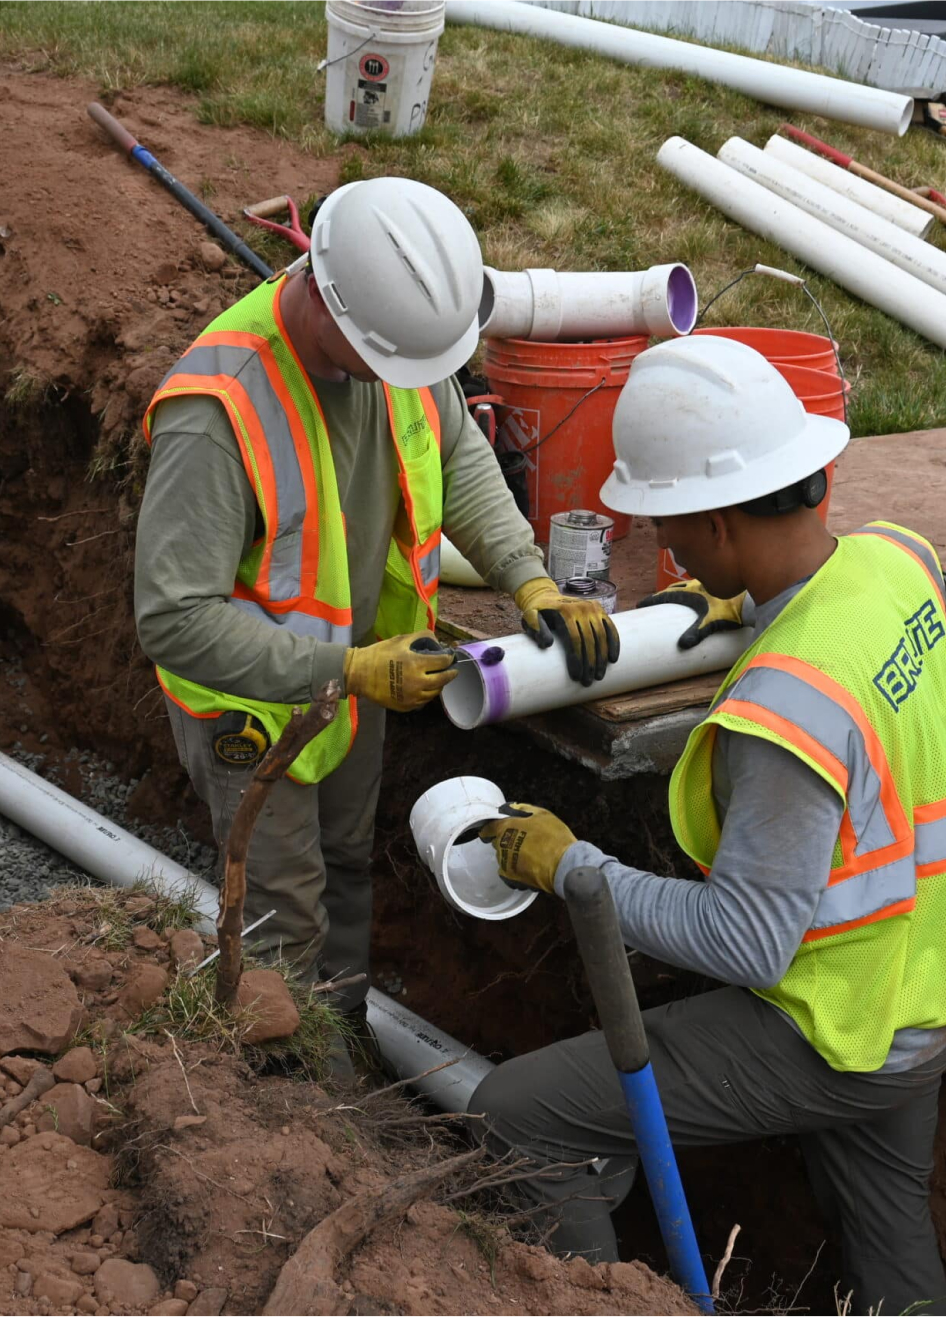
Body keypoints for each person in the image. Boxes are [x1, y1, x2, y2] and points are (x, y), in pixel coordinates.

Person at [474, 335, 946, 1316]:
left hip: (839, 1017)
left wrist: (572, 869)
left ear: (720, 521)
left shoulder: (787, 710)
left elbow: (749, 942)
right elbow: (841, 606)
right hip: (937, 980)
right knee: (891, 1249)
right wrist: (744, 600)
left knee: (520, 1114)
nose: (663, 549)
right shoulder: (898, 557)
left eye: (673, 531)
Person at [134, 177, 619, 1073]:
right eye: (384, 365)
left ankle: (338, 1038)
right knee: (288, 902)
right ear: (323, 297)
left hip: (359, 675)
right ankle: (285, 1101)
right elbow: (172, 618)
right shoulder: (219, 409)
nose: (398, 385)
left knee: (348, 864)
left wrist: (531, 580)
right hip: (252, 701)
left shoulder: (393, 344)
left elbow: (461, 456)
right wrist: (350, 669)